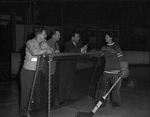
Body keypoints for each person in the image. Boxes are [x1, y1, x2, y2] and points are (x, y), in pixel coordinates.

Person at [20, 27, 52, 117]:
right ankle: (23, 113)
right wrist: (45, 50)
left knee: (35, 93)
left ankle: (32, 110)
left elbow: (51, 51)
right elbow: (35, 52)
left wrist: (44, 48)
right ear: (39, 34)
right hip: (28, 71)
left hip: (38, 71)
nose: (46, 36)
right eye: (44, 34)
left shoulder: (43, 43)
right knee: (26, 93)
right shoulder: (30, 43)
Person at [95, 32, 124, 109]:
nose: (105, 38)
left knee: (115, 90)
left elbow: (121, 58)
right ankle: (101, 104)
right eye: (105, 37)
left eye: (107, 37)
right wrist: (96, 53)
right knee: (103, 89)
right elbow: (99, 55)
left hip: (116, 71)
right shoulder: (103, 47)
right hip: (107, 71)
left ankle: (116, 104)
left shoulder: (116, 47)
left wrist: (122, 70)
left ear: (111, 38)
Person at [58, 31, 88, 105]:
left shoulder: (78, 45)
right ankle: (61, 100)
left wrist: (84, 52)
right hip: (64, 66)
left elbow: (80, 54)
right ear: (72, 38)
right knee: (62, 83)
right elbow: (72, 51)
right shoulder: (67, 44)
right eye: (77, 37)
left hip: (72, 66)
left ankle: (67, 98)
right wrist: (81, 50)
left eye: (79, 37)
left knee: (69, 82)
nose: (78, 38)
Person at [47, 29, 61, 107]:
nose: (60, 37)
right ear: (54, 36)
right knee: (48, 89)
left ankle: (51, 104)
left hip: (54, 69)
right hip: (48, 70)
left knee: (53, 88)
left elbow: (58, 54)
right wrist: (53, 54)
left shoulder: (56, 44)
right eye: (58, 35)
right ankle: (47, 105)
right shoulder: (47, 43)